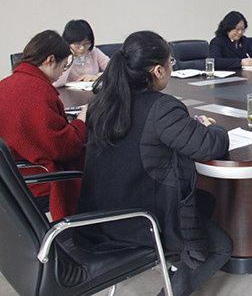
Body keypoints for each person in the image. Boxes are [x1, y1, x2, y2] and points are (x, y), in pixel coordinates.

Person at [74, 31, 232, 296]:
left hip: (95, 217)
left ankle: (177, 260)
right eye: (171, 62)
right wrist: (213, 129)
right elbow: (209, 146)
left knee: (205, 202)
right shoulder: (161, 107)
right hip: (137, 221)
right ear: (158, 70)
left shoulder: (101, 102)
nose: (171, 67)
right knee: (221, 245)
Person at [0, 30, 86, 220]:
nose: (61, 74)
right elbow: (63, 148)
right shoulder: (37, 91)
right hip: (37, 179)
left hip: (12, 177)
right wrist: (81, 122)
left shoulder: (5, 85)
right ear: (50, 60)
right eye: (64, 66)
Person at [53, 19, 110, 87]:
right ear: (67, 42)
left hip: (90, 91)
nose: (82, 48)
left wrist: (97, 76)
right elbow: (55, 84)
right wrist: (69, 59)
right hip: (68, 92)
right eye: (77, 44)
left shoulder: (93, 52)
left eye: (86, 43)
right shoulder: (60, 57)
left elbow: (115, 70)